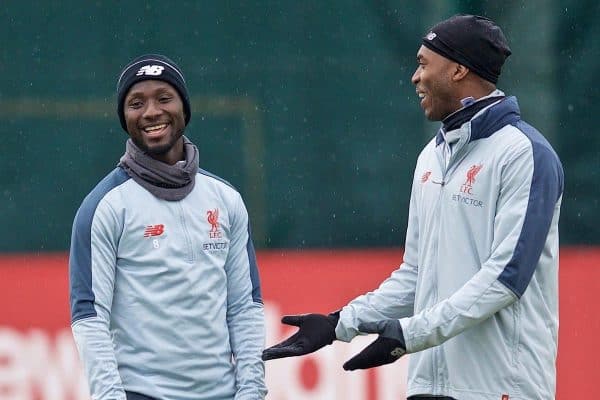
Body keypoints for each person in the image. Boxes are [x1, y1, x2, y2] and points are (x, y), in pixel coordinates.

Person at [262, 15, 563, 400]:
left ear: (458, 69)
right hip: (428, 387)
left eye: (423, 63)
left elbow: (505, 279)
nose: (414, 77)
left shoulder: (525, 153)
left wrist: (409, 335)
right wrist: (339, 324)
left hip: (500, 388)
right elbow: (416, 275)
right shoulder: (431, 156)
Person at [69, 54, 267, 400]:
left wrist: (252, 391)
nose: (151, 113)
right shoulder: (104, 206)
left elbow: (244, 306)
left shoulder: (226, 199)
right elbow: (89, 316)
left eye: (164, 98)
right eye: (136, 103)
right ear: (124, 117)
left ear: (184, 109)